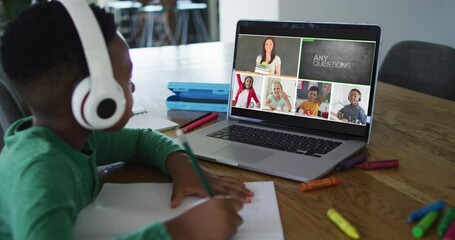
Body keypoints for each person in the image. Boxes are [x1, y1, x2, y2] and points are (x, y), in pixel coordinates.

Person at [0, 2, 253, 240]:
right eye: (125, 79)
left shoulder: (76, 137)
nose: (132, 87)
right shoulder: (40, 174)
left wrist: (181, 164)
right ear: (97, 97)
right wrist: (181, 230)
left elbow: (141, 140)